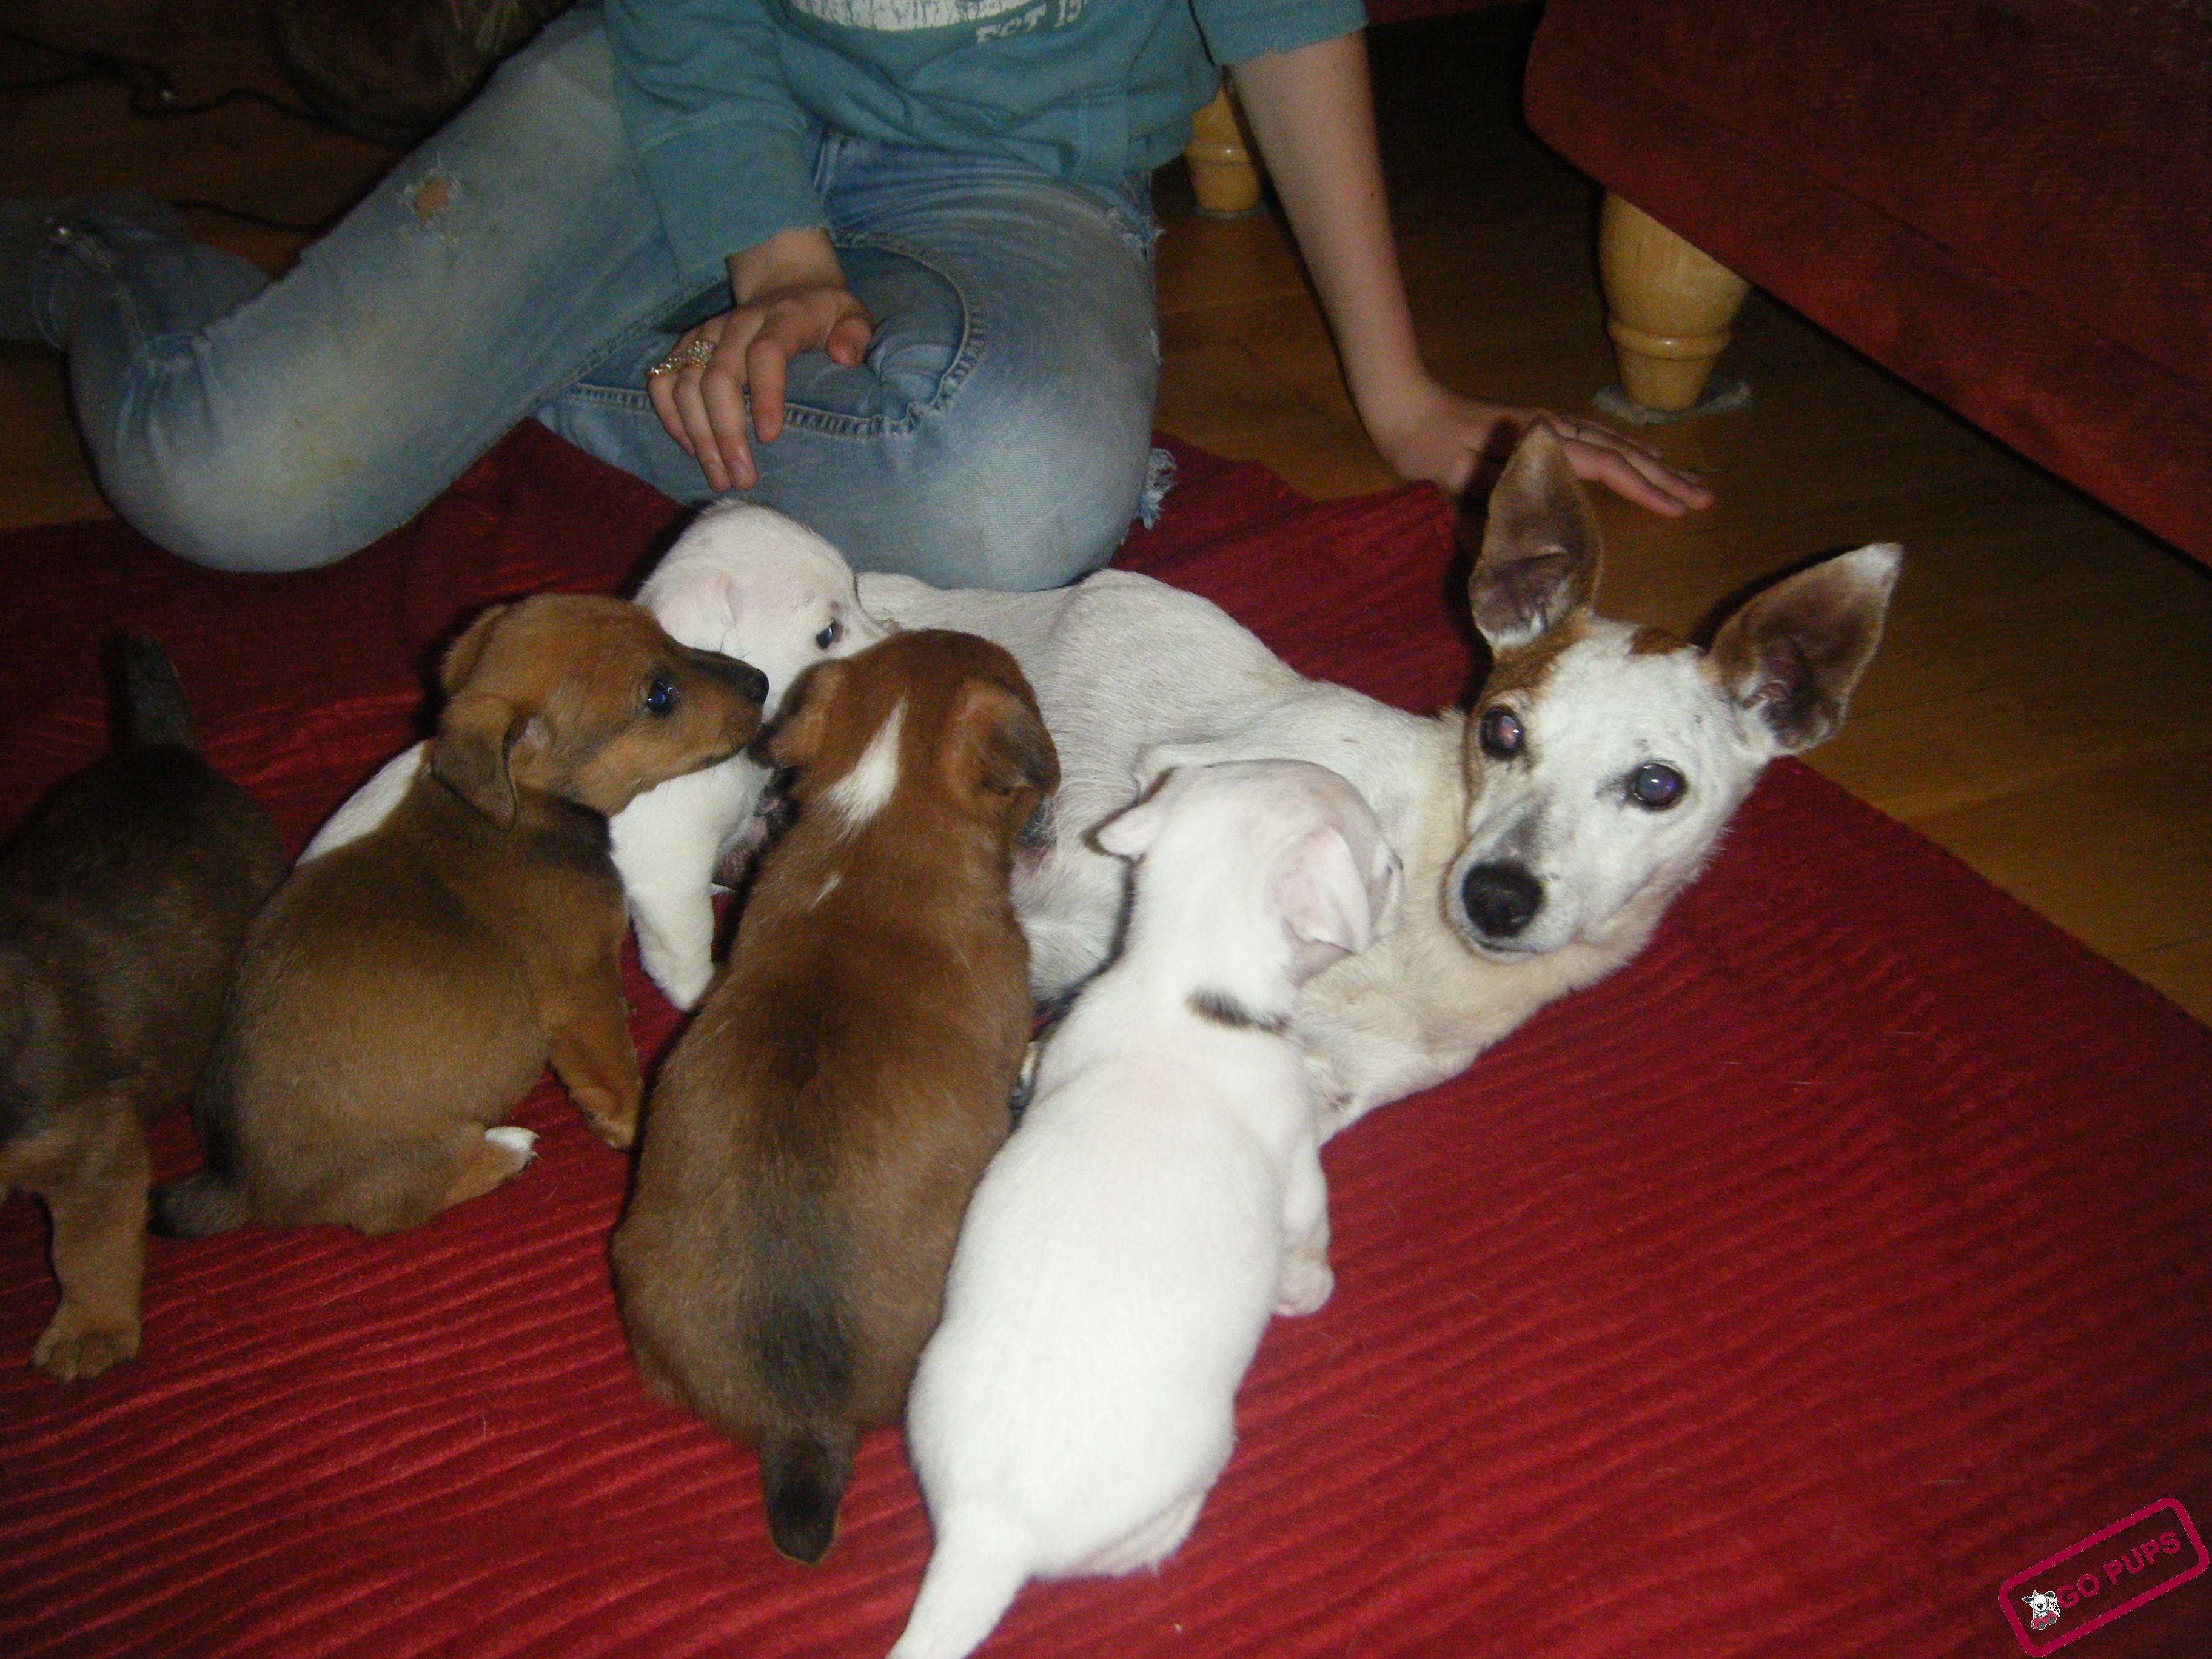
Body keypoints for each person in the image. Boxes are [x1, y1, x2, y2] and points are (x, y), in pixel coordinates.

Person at [3, 0, 1709, 588]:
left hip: (1019, 176)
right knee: (239, 486)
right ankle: (91, 255)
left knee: (1023, 490)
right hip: (665, 99)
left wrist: (1402, 397)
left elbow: (1282, 14)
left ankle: (457, 368)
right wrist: (775, 252)